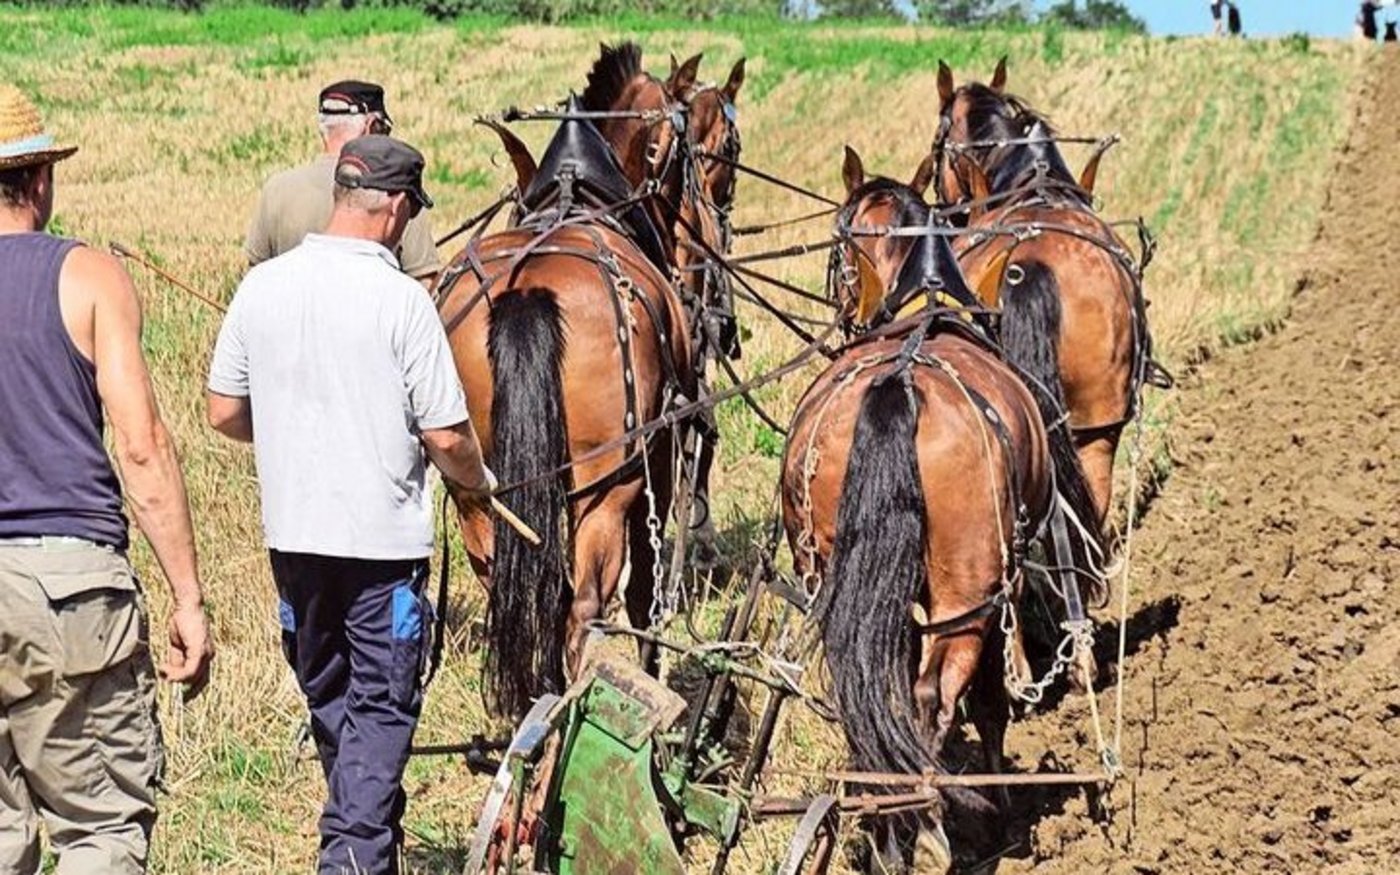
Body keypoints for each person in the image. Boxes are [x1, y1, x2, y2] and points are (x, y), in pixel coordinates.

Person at [207, 135, 493, 874]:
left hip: (293, 542)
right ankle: (354, 857)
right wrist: (475, 481)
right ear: (395, 206)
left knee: (330, 694)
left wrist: (288, 429)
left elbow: (222, 411)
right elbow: (446, 434)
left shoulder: (263, 287)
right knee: (381, 705)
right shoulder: (401, 301)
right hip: (382, 552)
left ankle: (364, 843)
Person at [0, 85, 213, 873]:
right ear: (43, 179)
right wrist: (188, 597)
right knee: (100, 828)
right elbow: (143, 447)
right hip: (67, 587)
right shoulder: (87, 276)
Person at [244, 81, 441, 289]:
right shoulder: (395, 193)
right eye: (384, 130)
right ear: (371, 126)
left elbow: (254, 280)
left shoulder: (276, 190)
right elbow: (424, 286)